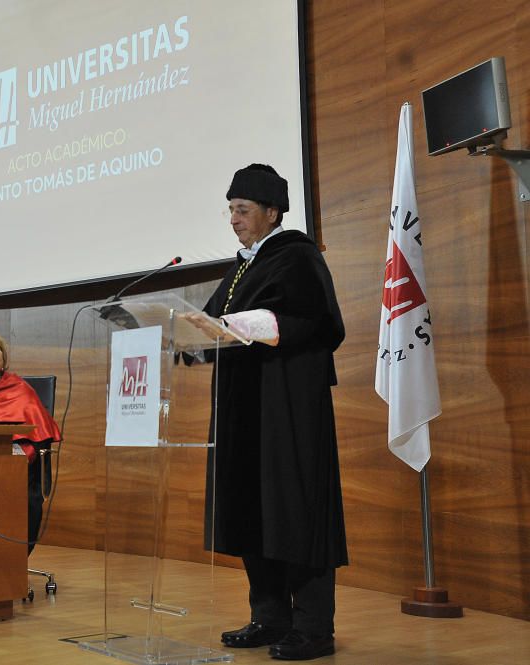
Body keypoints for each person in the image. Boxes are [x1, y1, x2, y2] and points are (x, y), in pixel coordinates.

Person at [182, 164, 347, 661]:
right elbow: (213, 324)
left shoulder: (297, 256)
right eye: (230, 209)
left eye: (242, 209)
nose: (233, 219)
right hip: (243, 406)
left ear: (272, 212)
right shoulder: (240, 267)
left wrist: (230, 325)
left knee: (296, 508)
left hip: (288, 407)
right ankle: (270, 615)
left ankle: (313, 626)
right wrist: (189, 338)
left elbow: (314, 320)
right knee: (254, 508)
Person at [0, 330, 62, 554]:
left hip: (19, 468)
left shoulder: (20, 389)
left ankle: (8, 563)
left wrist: (6, 461)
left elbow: (37, 437)